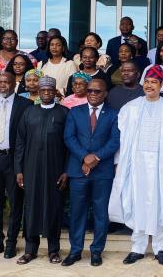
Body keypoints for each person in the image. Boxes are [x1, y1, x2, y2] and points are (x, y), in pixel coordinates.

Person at [109, 65, 163, 266]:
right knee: (137, 203)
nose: (149, 85)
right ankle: (137, 248)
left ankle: (160, 248)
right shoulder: (130, 108)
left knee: (161, 205)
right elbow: (122, 138)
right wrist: (118, 161)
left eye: (154, 82)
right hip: (136, 165)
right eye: (147, 82)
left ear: (162, 85)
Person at [63, 78, 120, 267]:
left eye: (97, 91)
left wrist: (96, 157)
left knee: (100, 213)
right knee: (77, 212)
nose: (93, 94)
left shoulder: (113, 114)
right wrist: (84, 157)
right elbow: (69, 137)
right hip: (78, 170)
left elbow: (115, 141)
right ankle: (75, 251)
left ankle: (96, 251)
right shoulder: (75, 112)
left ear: (105, 93)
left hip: (102, 171)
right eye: (90, 91)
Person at [14, 76, 69, 265]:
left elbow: (69, 145)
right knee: (30, 209)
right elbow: (20, 143)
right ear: (38, 91)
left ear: (55, 92)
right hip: (31, 169)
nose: (46, 93)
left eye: (50, 90)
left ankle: (54, 250)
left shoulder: (64, 113)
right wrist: (19, 170)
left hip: (55, 168)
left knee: (53, 208)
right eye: (43, 90)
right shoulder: (29, 112)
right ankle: (30, 250)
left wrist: (66, 171)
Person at [0, 72, 33, 260]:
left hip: (14, 160)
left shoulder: (25, 104)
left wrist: (21, 165)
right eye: (0, 82)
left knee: (15, 203)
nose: (3, 85)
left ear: (14, 84)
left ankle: (11, 243)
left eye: (7, 82)